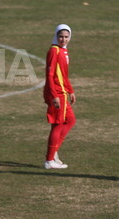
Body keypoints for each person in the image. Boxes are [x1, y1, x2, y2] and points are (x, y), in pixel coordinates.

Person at [43, 24, 76, 170]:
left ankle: (54, 152)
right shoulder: (54, 51)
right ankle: (49, 160)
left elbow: (64, 74)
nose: (63, 39)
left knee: (70, 120)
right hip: (56, 92)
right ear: (56, 36)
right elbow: (50, 75)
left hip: (62, 91)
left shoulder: (64, 51)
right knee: (57, 124)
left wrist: (71, 90)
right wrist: (54, 95)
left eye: (66, 37)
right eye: (61, 36)